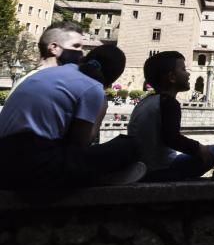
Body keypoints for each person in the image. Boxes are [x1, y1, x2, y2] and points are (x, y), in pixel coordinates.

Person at [0, 45, 144, 189]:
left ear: (85, 58)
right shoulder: (93, 87)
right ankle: (99, 178)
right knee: (130, 146)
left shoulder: (47, 73)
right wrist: (101, 112)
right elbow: (81, 144)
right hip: (33, 170)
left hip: (6, 159)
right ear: (112, 78)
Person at [128, 51, 214, 182]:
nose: (188, 73)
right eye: (183, 69)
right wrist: (199, 148)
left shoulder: (145, 102)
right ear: (172, 77)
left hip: (139, 170)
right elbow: (172, 138)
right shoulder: (168, 102)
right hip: (160, 172)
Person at [11, 22, 84, 90]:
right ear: (54, 48)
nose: (81, 51)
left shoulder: (54, 80)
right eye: (76, 46)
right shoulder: (38, 83)